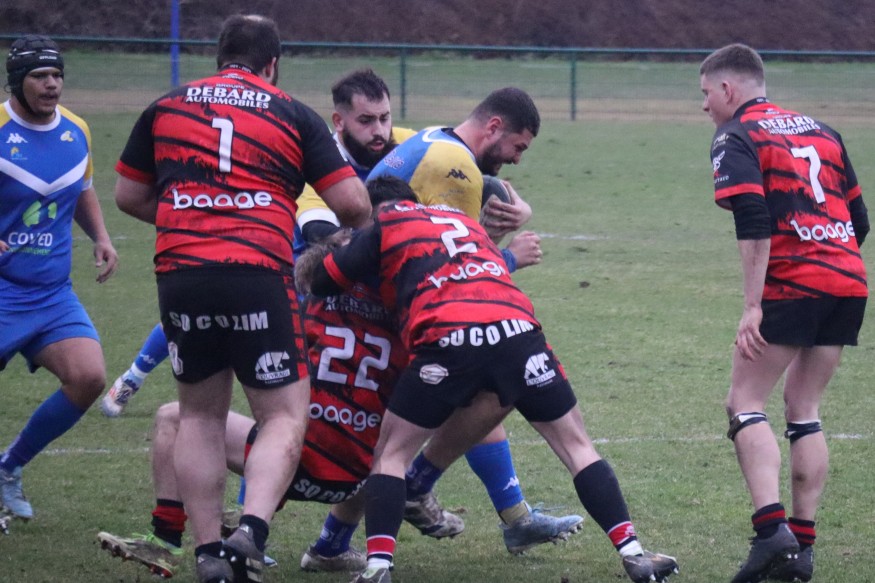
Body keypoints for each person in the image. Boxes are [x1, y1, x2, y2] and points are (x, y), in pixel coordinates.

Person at [308, 176, 679, 583]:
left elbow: (322, 281)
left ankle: (379, 567)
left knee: (391, 454)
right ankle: (634, 553)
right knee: (577, 446)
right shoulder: (461, 220)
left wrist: (354, 252)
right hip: (518, 332)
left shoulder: (387, 223)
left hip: (448, 336)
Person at [113, 14, 370, 583]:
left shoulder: (166, 106)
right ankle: (250, 532)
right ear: (272, 64)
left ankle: (208, 552)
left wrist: (191, 217)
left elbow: (128, 194)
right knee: (283, 415)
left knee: (199, 415)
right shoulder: (291, 112)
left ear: (218, 56)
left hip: (181, 272)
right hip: (256, 271)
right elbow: (353, 205)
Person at [98, 233, 393, 578]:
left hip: (294, 464)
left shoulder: (307, 305)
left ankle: (170, 538)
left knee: (175, 418)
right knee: (387, 444)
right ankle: (329, 543)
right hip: (358, 479)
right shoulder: (401, 315)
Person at [700, 43, 869, 583]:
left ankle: (772, 534)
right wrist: (829, 261)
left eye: (706, 93)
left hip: (793, 282)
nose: (704, 105)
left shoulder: (736, 135)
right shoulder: (823, 130)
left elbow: (753, 217)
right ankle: (803, 549)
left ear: (727, 88)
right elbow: (860, 219)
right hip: (847, 281)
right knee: (804, 406)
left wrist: (753, 305)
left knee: (744, 401)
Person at [0, 34, 119, 522]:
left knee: (89, 377)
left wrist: (101, 236)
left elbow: (82, 188)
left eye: (56, 75)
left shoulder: (77, 129)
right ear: (16, 81)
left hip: (51, 292)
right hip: (3, 290)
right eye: (39, 76)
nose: (51, 85)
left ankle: (8, 467)